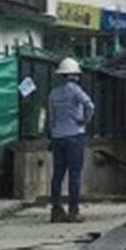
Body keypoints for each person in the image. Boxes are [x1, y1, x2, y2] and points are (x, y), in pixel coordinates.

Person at [47, 57, 95, 223]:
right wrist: (85, 120)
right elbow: (90, 105)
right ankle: (73, 211)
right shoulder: (75, 90)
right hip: (74, 135)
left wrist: (53, 134)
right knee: (74, 174)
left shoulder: (53, 93)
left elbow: (51, 118)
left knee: (58, 174)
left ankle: (56, 210)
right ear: (75, 74)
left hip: (57, 137)